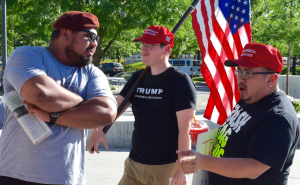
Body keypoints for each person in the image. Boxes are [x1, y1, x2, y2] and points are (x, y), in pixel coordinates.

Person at [0, 11, 117, 185]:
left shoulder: (92, 72)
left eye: (97, 39)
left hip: (67, 178)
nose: (95, 44)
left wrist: (53, 116)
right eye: (90, 36)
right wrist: (86, 105)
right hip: (15, 176)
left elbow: (106, 113)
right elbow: (42, 94)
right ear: (65, 34)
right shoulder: (28, 55)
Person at [87, 25, 197, 185]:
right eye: (143, 45)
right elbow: (114, 108)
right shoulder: (139, 77)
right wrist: (98, 129)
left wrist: (182, 168)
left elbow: (185, 129)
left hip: (166, 166)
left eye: (151, 46)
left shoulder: (179, 81)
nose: (144, 50)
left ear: (166, 48)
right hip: (134, 163)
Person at [177, 43, 300, 185]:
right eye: (239, 71)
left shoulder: (278, 117)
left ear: (271, 79)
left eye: (248, 73)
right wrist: (205, 139)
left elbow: (254, 168)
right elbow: (234, 139)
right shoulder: (249, 98)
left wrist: (202, 161)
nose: (241, 78)